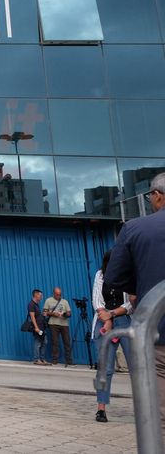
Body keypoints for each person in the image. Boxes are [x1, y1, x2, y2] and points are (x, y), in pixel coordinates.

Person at [104, 171, 165, 439]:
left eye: (151, 195)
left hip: (158, 330)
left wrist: (141, 286)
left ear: (158, 196)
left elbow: (114, 278)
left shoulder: (135, 228)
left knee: (159, 413)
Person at [93, 250, 132, 423]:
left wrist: (112, 315)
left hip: (124, 320)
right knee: (105, 369)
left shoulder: (129, 275)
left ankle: (145, 407)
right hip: (103, 320)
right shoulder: (100, 275)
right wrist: (106, 319)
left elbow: (131, 303)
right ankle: (101, 408)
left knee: (137, 368)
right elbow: (97, 301)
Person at [44, 287, 73, 366]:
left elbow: (69, 312)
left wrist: (66, 314)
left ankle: (69, 361)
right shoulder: (48, 300)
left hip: (64, 324)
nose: (58, 296)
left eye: (60, 294)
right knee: (55, 342)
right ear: (53, 293)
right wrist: (53, 314)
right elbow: (44, 312)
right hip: (53, 324)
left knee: (67, 342)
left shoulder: (65, 301)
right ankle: (54, 360)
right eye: (57, 294)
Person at [26, 289, 47, 365]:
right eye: (40, 295)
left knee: (44, 342)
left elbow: (37, 315)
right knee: (38, 342)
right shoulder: (31, 304)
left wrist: (43, 315)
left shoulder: (36, 304)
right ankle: (36, 359)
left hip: (41, 326)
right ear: (36, 295)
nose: (41, 297)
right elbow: (32, 317)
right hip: (37, 327)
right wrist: (36, 328)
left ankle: (42, 359)